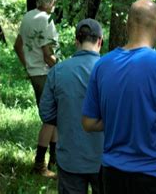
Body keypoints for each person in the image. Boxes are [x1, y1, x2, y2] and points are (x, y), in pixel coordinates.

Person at [82, 0, 156, 194]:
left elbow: (89, 122)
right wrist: (151, 119)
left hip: (112, 176)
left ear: (127, 25)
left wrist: (120, 117)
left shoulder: (102, 65)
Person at [39, 18, 104, 194]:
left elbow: (46, 113)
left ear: (76, 41)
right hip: (104, 159)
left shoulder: (57, 71)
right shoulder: (111, 71)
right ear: (100, 41)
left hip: (70, 157)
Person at [14, 0, 59, 178]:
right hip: (46, 73)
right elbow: (48, 54)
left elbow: (18, 46)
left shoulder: (27, 17)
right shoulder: (45, 20)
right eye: (53, 2)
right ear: (49, 3)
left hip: (36, 72)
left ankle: (55, 161)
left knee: (55, 117)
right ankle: (40, 165)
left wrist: (28, 66)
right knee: (50, 118)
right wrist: (62, 68)